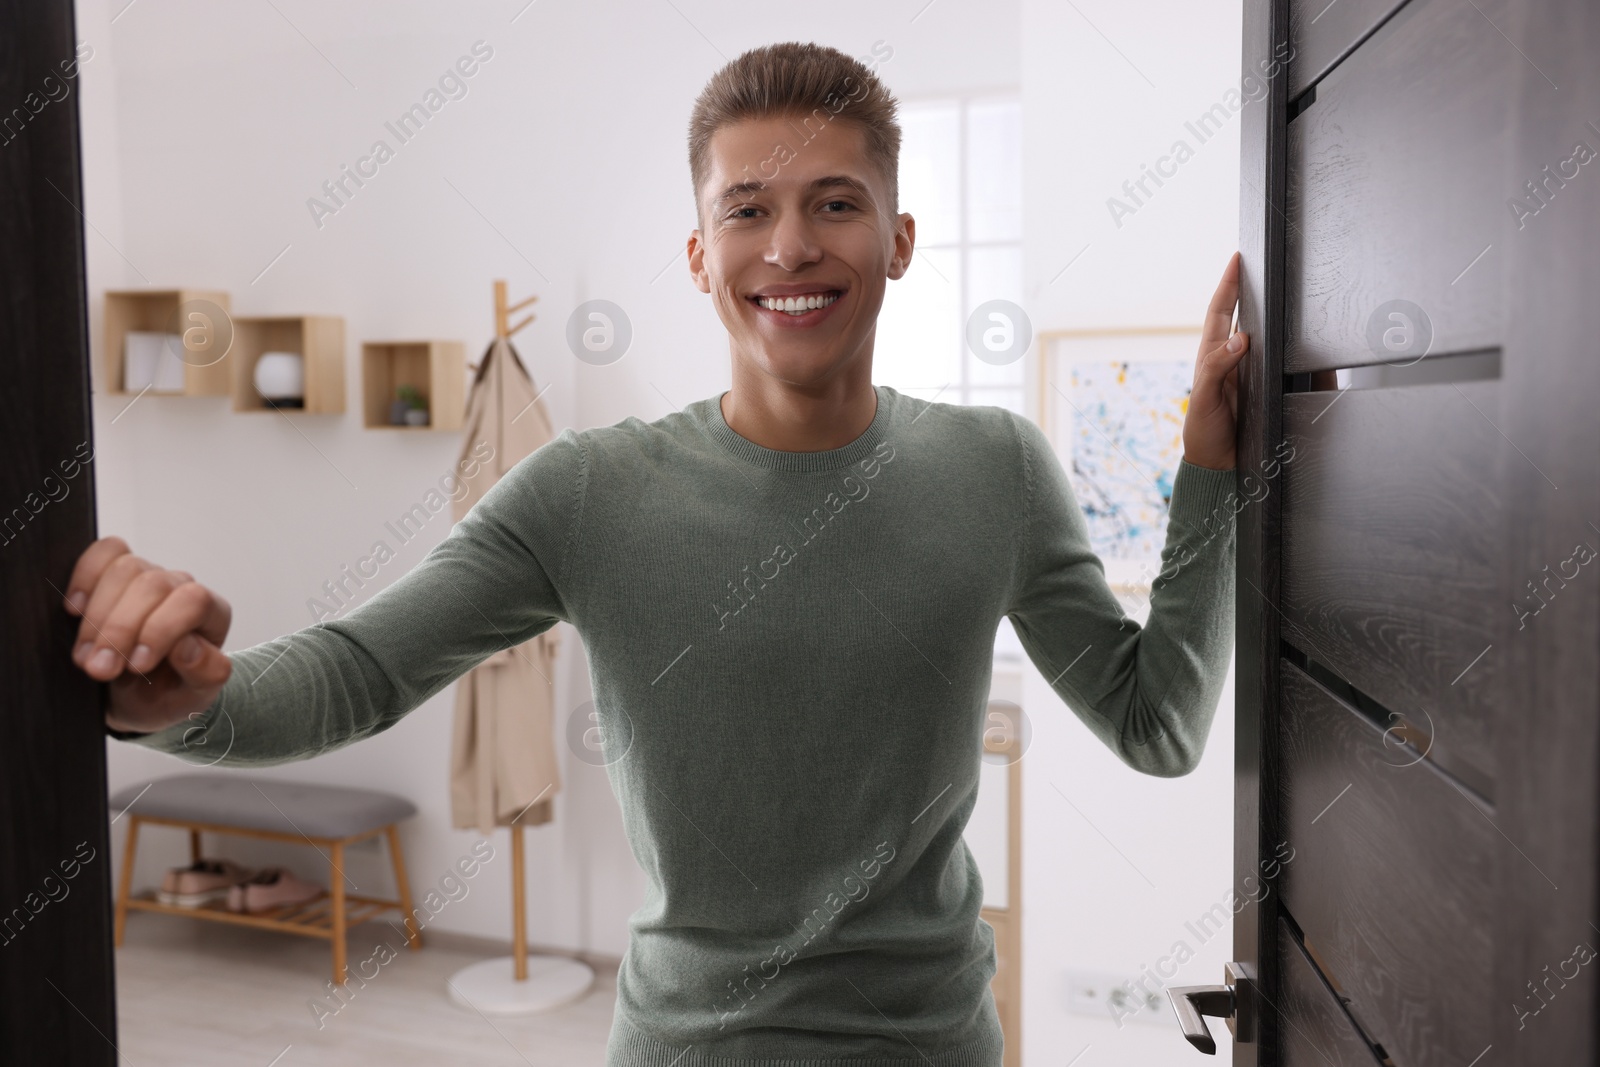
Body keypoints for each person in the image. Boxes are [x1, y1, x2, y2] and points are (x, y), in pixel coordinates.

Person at [66, 41, 1247, 1067]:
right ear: (698, 253)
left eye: (834, 204)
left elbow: (1157, 724)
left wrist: (1209, 472)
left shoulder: (994, 468)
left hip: (934, 1043)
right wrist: (178, 701)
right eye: (747, 209)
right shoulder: (588, 492)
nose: (789, 246)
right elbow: (353, 674)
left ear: (897, 239)